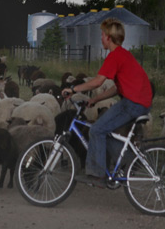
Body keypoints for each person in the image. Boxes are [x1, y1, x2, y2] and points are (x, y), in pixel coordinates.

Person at [61, 18, 152, 188]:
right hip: (138, 101)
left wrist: (73, 89)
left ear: (109, 37)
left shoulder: (114, 56)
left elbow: (97, 82)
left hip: (133, 103)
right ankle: (128, 161)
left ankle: (97, 174)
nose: (101, 38)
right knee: (106, 132)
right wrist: (95, 99)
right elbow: (117, 88)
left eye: (102, 35)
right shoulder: (123, 54)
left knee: (96, 129)